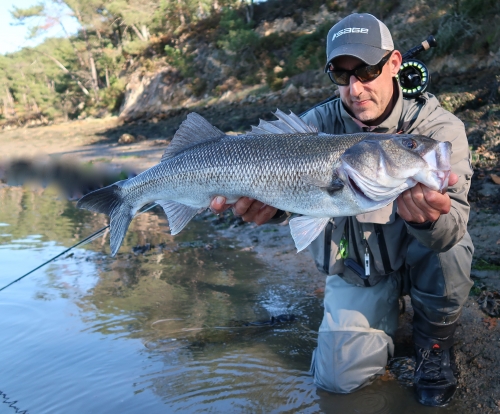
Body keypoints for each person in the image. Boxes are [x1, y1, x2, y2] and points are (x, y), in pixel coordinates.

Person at [210, 13, 473, 407]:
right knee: (337, 382)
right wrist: (274, 210)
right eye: (342, 75)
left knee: (448, 242)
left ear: (395, 64)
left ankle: (434, 341)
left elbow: (453, 227)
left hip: (422, 259)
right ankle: (376, 316)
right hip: (361, 268)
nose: (356, 87)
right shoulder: (313, 127)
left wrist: (433, 219)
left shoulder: (437, 131)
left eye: (367, 70)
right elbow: (295, 198)